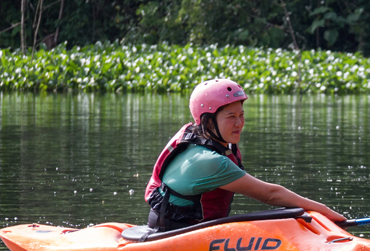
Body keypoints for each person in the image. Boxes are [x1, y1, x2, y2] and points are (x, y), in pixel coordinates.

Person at [144, 78, 345, 231]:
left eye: (241, 115)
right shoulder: (208, 161)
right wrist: (324, 211)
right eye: (231, 117)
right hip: (173, 233)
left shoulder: (209, 141)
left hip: (186, 228)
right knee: (287, 215)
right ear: (208, 121)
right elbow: (270, 194)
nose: (239, 123)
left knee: (288, 215)